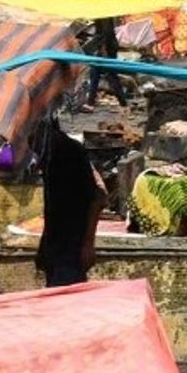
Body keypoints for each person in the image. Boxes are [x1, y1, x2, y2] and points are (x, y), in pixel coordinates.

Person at [35, 121, 108, 287]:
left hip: (72, 246)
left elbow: (98, 198)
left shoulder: (70, 152)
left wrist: (88, 244)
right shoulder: (49, 156)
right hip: (55, 243)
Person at [81, 0, 128, 109]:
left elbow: (106, 31)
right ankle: (91, 102)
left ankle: (123, 102)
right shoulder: (100, 5)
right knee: (96, 72)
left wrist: (103, 48)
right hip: (106, 44)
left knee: (109, 74)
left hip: (107, 45)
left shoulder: (101, 7)